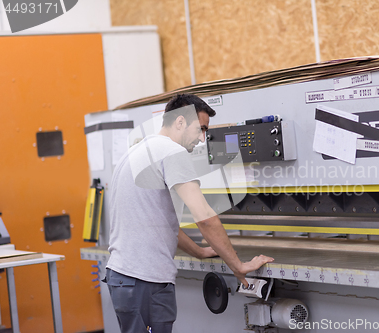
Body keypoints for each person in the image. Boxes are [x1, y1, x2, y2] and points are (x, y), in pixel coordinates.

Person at [105, 93, 274, 333]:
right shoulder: (172, 152)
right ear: (180, 122)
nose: (202, 138)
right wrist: (238, 265)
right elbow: (204, 217)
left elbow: (157, 222)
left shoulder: (136, 151)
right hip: (144, 281)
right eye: (200, 129)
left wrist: (201, 251)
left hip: (126, 278)